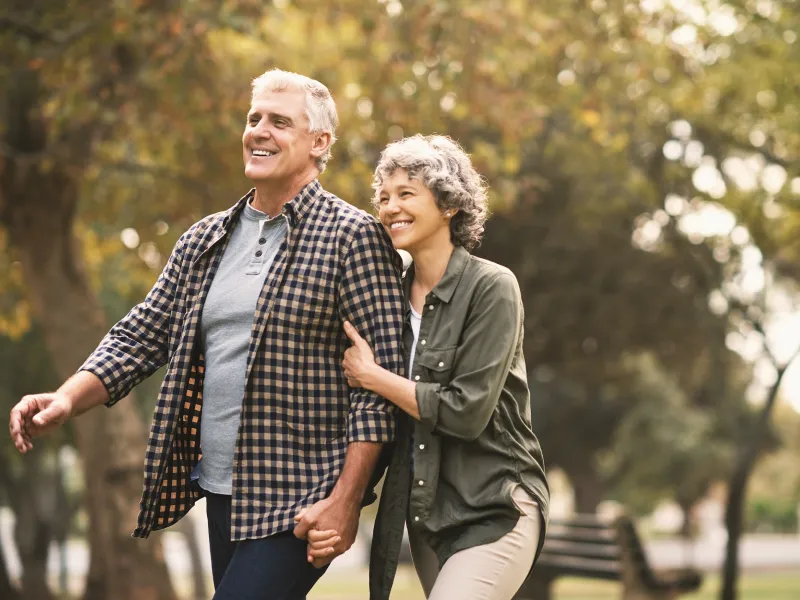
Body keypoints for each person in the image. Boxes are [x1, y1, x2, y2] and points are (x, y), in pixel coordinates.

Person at [8, 69, 405, 600]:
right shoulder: (205, 239)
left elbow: (381, 387)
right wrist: (65, 399)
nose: (259, 130)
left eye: (279, 121)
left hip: (302, 498)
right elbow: (140, 335)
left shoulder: (354, 238)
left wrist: (347, 499)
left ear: (319, 142)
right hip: (220, 488)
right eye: (254, 117)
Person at [307, 135, 550, 600]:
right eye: (383, 197)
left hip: (495, 507)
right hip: (426, 517)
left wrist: (373, 376)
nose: (390, 208)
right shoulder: (386, 297)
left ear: (449, 204)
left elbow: (465, 411)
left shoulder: (492, 287)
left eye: (406, 193)